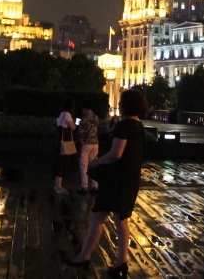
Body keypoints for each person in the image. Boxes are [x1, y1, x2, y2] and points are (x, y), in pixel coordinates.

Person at [63, 89, 149, 279]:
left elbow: (116, 154)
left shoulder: (124, 126)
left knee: (98, 217)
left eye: (121, 103)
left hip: (115, 180)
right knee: (120, 220)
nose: (119, 105)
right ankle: (119, 262)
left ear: (126, 105)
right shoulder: (139, 126)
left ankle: (85, 256)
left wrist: (97, 162)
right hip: (130, 179)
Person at [54, 99, 78, 195]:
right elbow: (73, 127)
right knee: (62, 162)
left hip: (60, 140)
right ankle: (58, 186)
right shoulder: (67, 114)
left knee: (59, 162)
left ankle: (57, 185)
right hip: (65, 141)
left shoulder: (60, 114)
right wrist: (76, 124)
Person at [76, 105, 100, 193]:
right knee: (93, 165)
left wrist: (78, 126)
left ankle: (84, 186)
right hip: (95, 143)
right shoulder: (96, 117)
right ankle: (95, 186)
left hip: (85, 143)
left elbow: (80, 131)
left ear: (84, 108)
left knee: (83, 165)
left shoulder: (84, 118)